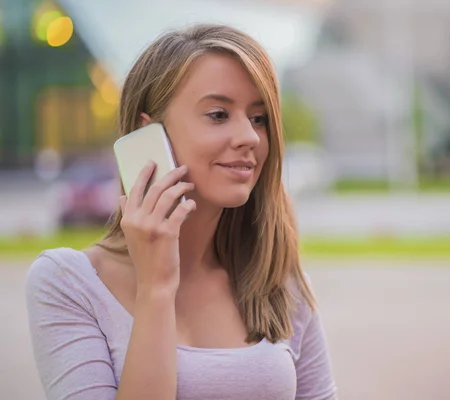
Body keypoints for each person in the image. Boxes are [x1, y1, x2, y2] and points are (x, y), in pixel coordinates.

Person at [25, 24, 337, 400]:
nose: (250, 137)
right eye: (219, 114)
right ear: (148, 134)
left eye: (259, 119)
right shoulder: (68, 283)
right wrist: (156, 288)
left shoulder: (276, 279)